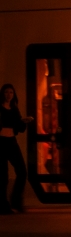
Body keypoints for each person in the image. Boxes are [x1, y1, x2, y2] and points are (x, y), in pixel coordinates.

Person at [0, 83, 31, 214]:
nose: (9, 95)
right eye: (6, 92)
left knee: (22, 171)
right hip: (0, 143)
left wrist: (24, 122)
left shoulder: (14, 108)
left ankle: (16, 201)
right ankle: (3, 205)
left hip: (12, 142)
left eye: (11, 93)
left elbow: (19, 126)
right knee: (2, 176)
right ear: (2, 94)